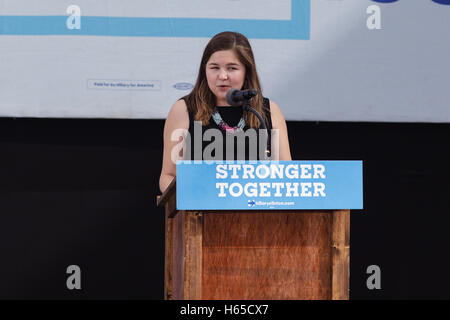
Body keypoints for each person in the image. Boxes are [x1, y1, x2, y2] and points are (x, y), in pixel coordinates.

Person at [159, 31, 291, 193]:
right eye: (214, 67)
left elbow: (287, 175)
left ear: (246, 71)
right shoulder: (184, 109)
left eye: (232, 68)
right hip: (200, 212)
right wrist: (193, 199)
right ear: (204, 70)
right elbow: (169, 175)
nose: (222, 76)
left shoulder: (267, 111)